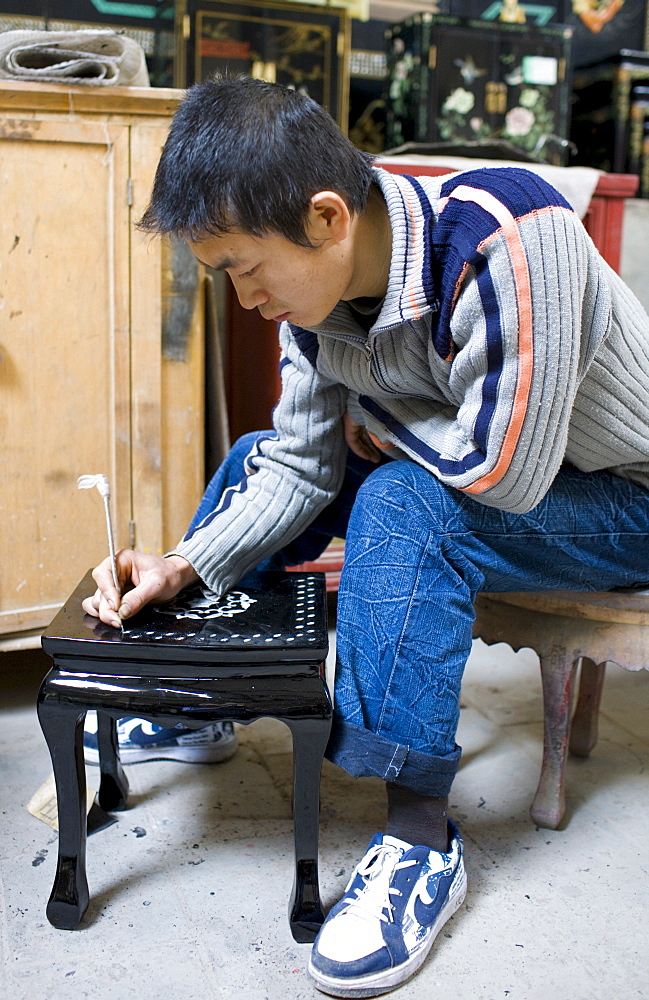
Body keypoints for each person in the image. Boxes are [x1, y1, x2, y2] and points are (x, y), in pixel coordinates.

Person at [83, 75, 649, 998]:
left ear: (327, 216)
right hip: (495, 468)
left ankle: (421, 839)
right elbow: (301, 467)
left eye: (244, 267)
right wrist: (182, 565)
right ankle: (207, 701)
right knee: (258, 458)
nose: (243, 295)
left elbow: (507, 471)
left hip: (622, 499)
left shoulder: (507, 237)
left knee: (401, 502)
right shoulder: (313, 309)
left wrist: (382, 433)